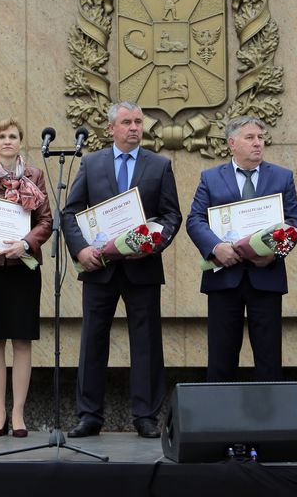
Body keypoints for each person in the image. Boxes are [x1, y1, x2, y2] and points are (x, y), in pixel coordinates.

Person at [61, 101, 182, 438]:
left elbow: (172, 215)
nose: (134, 128)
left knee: (146, 342)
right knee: (93, 340)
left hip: (142, 269)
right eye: (126, 122)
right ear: (111, 128)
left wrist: (153, 243)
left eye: (138, 122)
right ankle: (89, 416)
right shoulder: (91, 163)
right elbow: (70, 213)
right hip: (98, 268)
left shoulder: (159, 165)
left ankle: (146, 416)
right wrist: (80, 249)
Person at [186, 116, 297, 382]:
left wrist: (274, 253)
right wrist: (216, 247)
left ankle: (270, 409)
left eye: (260, 137)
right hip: (224, 277)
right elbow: (195, 220)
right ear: (232, 143)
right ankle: (220, 409)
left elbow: (294, 223)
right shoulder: (210, 178)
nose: (258, 143)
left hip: (267, 276)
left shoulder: (282, 177)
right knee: (221, 355)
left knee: (269, 355)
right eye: (250, 138)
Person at [0, 118, 51, 437]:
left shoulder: (35, 176)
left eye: (13, 136)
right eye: (1, 136)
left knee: (22, 339)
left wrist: (25, 243)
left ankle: (18, 415)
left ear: (20, 142)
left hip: (24, 266)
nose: (7, 141)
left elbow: (45, 220)